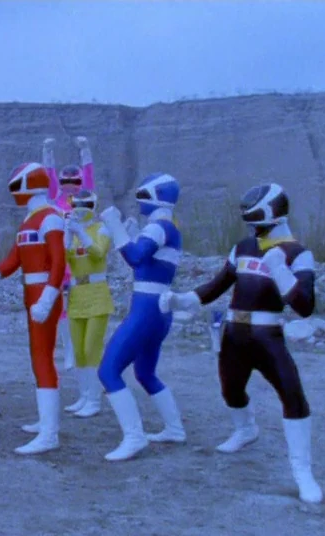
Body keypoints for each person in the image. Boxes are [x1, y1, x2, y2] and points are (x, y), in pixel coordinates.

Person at [160, 183, 322, 504]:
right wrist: (182, 300)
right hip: (234, 333)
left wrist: (280, 269)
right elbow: (217, 285)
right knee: (230, 389)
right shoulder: (244, 247)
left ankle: (302, 471)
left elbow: (304, 306)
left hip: (268, 335)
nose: (251, 226)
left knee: (292, 394)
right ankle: (246, 430)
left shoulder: (298, 254)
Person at [98, 173, 186, 461]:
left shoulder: (160, 226)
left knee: (108, 371)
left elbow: (135, 257)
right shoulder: (168, 226)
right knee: (145, 373)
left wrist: (115, 228)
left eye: (143, 196)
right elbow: (144, 262)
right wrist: (129, 234)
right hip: (158, 308)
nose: (139, 202)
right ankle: (174, 428)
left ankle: (134, 436)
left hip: (147, 307)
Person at [0, 162, 66, 455]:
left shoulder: (50, 218)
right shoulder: (31, 219)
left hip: (43, 294)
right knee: (38, 357)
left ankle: (49, 433)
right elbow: (13, 260)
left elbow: (59, 263)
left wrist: (47, 299)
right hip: (33, 293)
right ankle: (46, 422)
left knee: (42, 358)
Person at [42, 136, 96, 375]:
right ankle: (69, 352)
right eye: (66, 181)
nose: (71, 185)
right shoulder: (55, 198)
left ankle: (84, 347)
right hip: (60, 257)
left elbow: (90, 175)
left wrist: (86, 150)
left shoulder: (85, 197)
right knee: (62, 304)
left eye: (76, 181)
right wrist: (47, 152)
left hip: (82, 256)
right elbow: (49, 174)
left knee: (81, 301)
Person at [62, 189, 114, 418]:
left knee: (92, 349)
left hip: (97, 294)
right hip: (77, 294)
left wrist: (81, 232)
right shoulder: (73, 232)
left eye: (85, 204)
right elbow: (63, 258)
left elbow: (98, 253)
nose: (80, 209)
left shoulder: (101, 228)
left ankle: (94, 399)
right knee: (78, 351)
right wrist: (67, 233)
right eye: (76, 205)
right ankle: (84, 395)